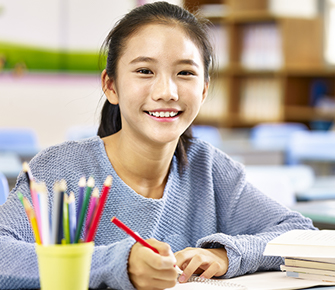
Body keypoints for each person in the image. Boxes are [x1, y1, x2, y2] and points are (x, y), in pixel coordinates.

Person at [0, 2, 316, 290]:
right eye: (144, 71)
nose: (167, 91)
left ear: (204, 90)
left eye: (185, 73)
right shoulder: (62, 171)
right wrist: (117, 264)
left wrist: (226, 256)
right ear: (111, 86)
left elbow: (300, 234)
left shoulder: (211, 170)